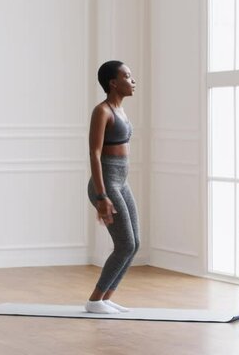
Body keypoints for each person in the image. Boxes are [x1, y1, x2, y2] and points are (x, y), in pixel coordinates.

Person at [85, 60, 139, 314]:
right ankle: (94, 300)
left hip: (122, 182)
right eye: (127, 77)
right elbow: (95, 154)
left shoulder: (121, 111)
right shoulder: (102, 111)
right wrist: (101, 195)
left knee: (134, 244)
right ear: (113, 83)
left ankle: (106, 297)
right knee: (124, 245)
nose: (133, 81)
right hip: (106, 184)